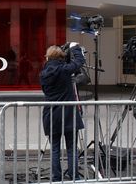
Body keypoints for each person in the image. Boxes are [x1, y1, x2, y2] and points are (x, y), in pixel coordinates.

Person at [39, 43, 85, 182]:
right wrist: (75, 47)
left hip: (51, 114)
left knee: (55, 149)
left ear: (48, 58)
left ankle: (57, 178)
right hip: (69, 114)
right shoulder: (65, 70)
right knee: (71, 148)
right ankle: (74, 177)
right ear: (61, 57)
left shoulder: (43, 73)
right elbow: (79, 61)